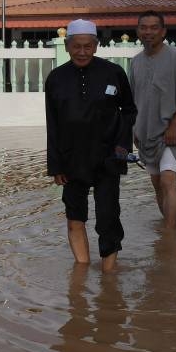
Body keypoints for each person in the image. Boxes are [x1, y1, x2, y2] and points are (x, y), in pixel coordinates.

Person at [46, 19, 136, 272]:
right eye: (77, 46)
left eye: (88, 46)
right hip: (71, 160)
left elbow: (129, 111)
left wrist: (122, 148)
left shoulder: (113, 72)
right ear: (67, 46)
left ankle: (109, 274)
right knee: (75, 217)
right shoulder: (55, 78)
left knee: (108, 217)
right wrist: (55, 165)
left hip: (108, 158)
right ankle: (82, 273)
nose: (82, 52)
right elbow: (52, 124)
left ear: (96, 46)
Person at [130, 10, 176, 229]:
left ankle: (169, 235)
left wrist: (175, 125)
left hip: (172, 132)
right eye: (143, 27)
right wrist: (134, 130)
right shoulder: (136, 62)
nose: (148, 32)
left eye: (153, 27)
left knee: (168, 179)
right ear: (138, 31)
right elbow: (133, 100)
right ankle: (170, 227)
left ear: (163, 31)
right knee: (157, 183)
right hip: (146, 133)